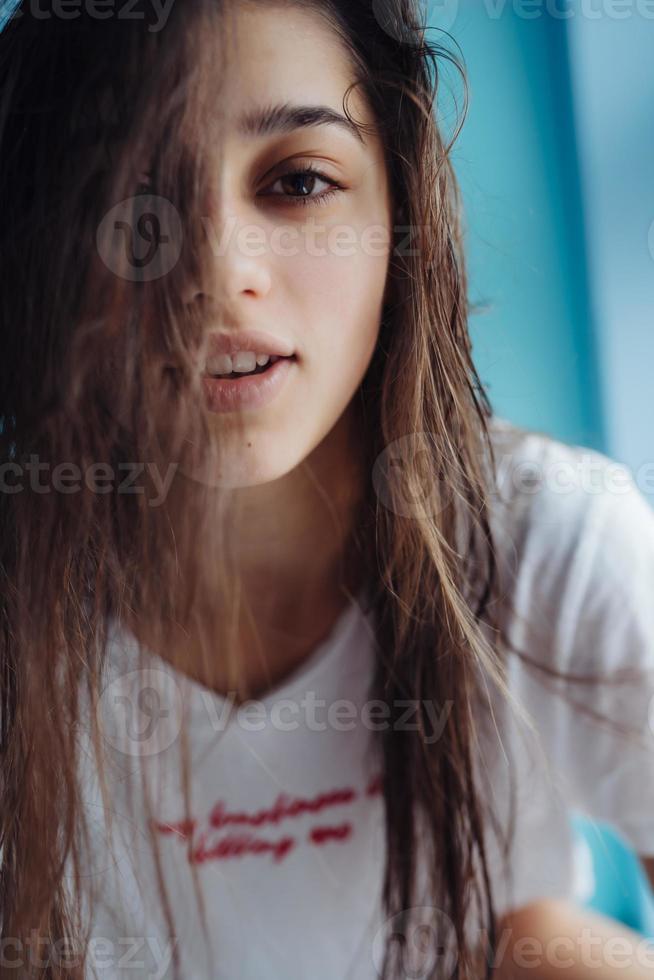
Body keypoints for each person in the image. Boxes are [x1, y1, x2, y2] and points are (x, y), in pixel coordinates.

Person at [0, 1, 653, 978]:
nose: (220, 275)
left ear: (401, 210)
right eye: (135, 195)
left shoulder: (555, 540)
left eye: (300, 180)